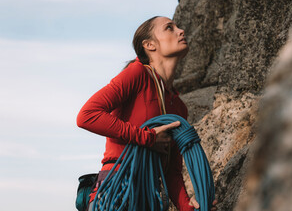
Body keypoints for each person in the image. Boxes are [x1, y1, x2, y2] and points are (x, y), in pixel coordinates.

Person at [77, 16, 217, 211]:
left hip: (149, 197)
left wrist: (189, 207)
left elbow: (171, 172)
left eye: (177, 27)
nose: (181, 31)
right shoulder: (137, 74)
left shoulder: (178, 106)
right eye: (170, 28)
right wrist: (147, 138)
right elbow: (87, 116)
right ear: (149, 45)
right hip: (116, 189)